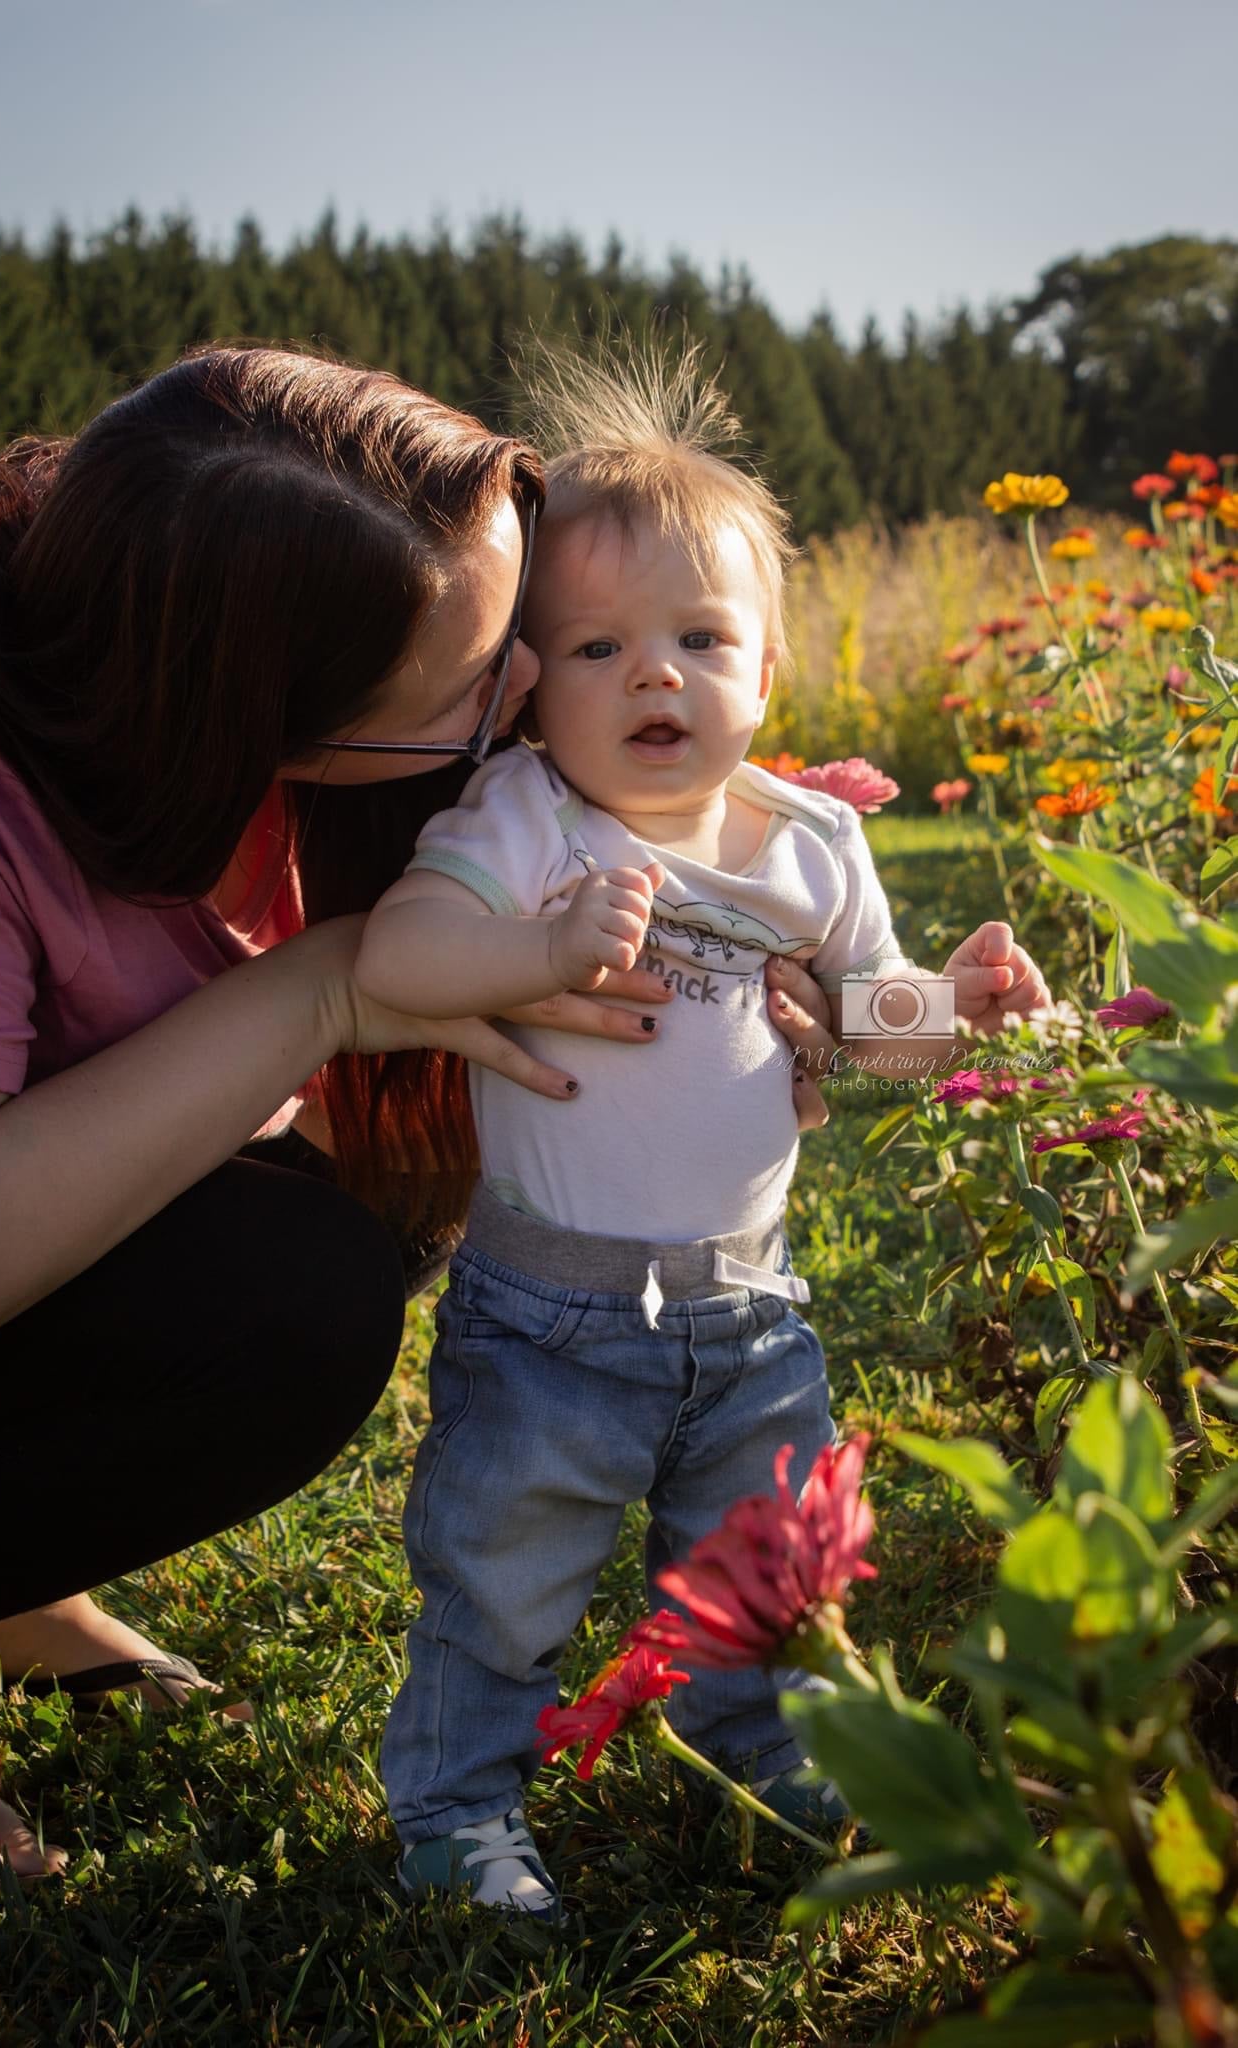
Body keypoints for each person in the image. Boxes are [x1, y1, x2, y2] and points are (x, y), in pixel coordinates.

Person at [0, 344, 837, 1885]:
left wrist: (745, 957)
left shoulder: (247, 623)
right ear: (261, 703)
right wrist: (323, 991)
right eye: (482, 679)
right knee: (283, 1297)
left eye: (525, 630)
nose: (528, 688)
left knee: (356, 1205)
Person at [355, 349, 1051, 1917]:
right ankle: (459, 1808)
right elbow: (393, 966)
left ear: (766, 663)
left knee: (764, 1567)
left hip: (751, 1307)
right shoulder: (527, 822)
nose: (650, 678)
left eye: (694, 640)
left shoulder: (814, 839)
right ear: (528, 679)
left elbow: (869, 1024)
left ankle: (767, 1764)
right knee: (502, 1572)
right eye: (596, 647)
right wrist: (535, 951)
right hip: (545, 1309)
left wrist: (950, 1002)